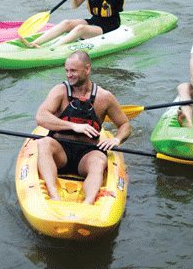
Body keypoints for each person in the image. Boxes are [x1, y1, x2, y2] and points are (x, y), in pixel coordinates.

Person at [35, 50, 131, 205]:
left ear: (87, 69)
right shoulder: (60, 91)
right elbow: (41, 117)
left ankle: (89, 203)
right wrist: (73, 126)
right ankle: (53, 195)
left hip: (86, 155)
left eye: (73, 70)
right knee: (43, 143)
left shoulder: (104, 97)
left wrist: (117, 139)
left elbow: (125, 125)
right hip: (60, 152)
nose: (68, 75)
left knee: (100, 159)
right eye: (66, 70)